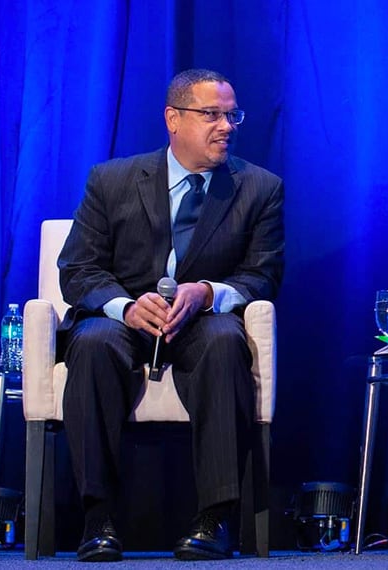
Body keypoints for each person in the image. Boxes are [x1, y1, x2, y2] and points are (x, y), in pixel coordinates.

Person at [57, 69, 284, 562]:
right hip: (124, 320)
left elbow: (263, 276)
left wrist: (207, 292)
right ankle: (97, 519)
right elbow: (77, 269)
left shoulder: (259, 188)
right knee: (92, 342)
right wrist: (124, 305)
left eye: (232, 115)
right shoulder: (112, 180)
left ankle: (215, 519)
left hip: (201, 323)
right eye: (212, 114)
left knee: (227, 342)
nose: (227, 126)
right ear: (173, 119)